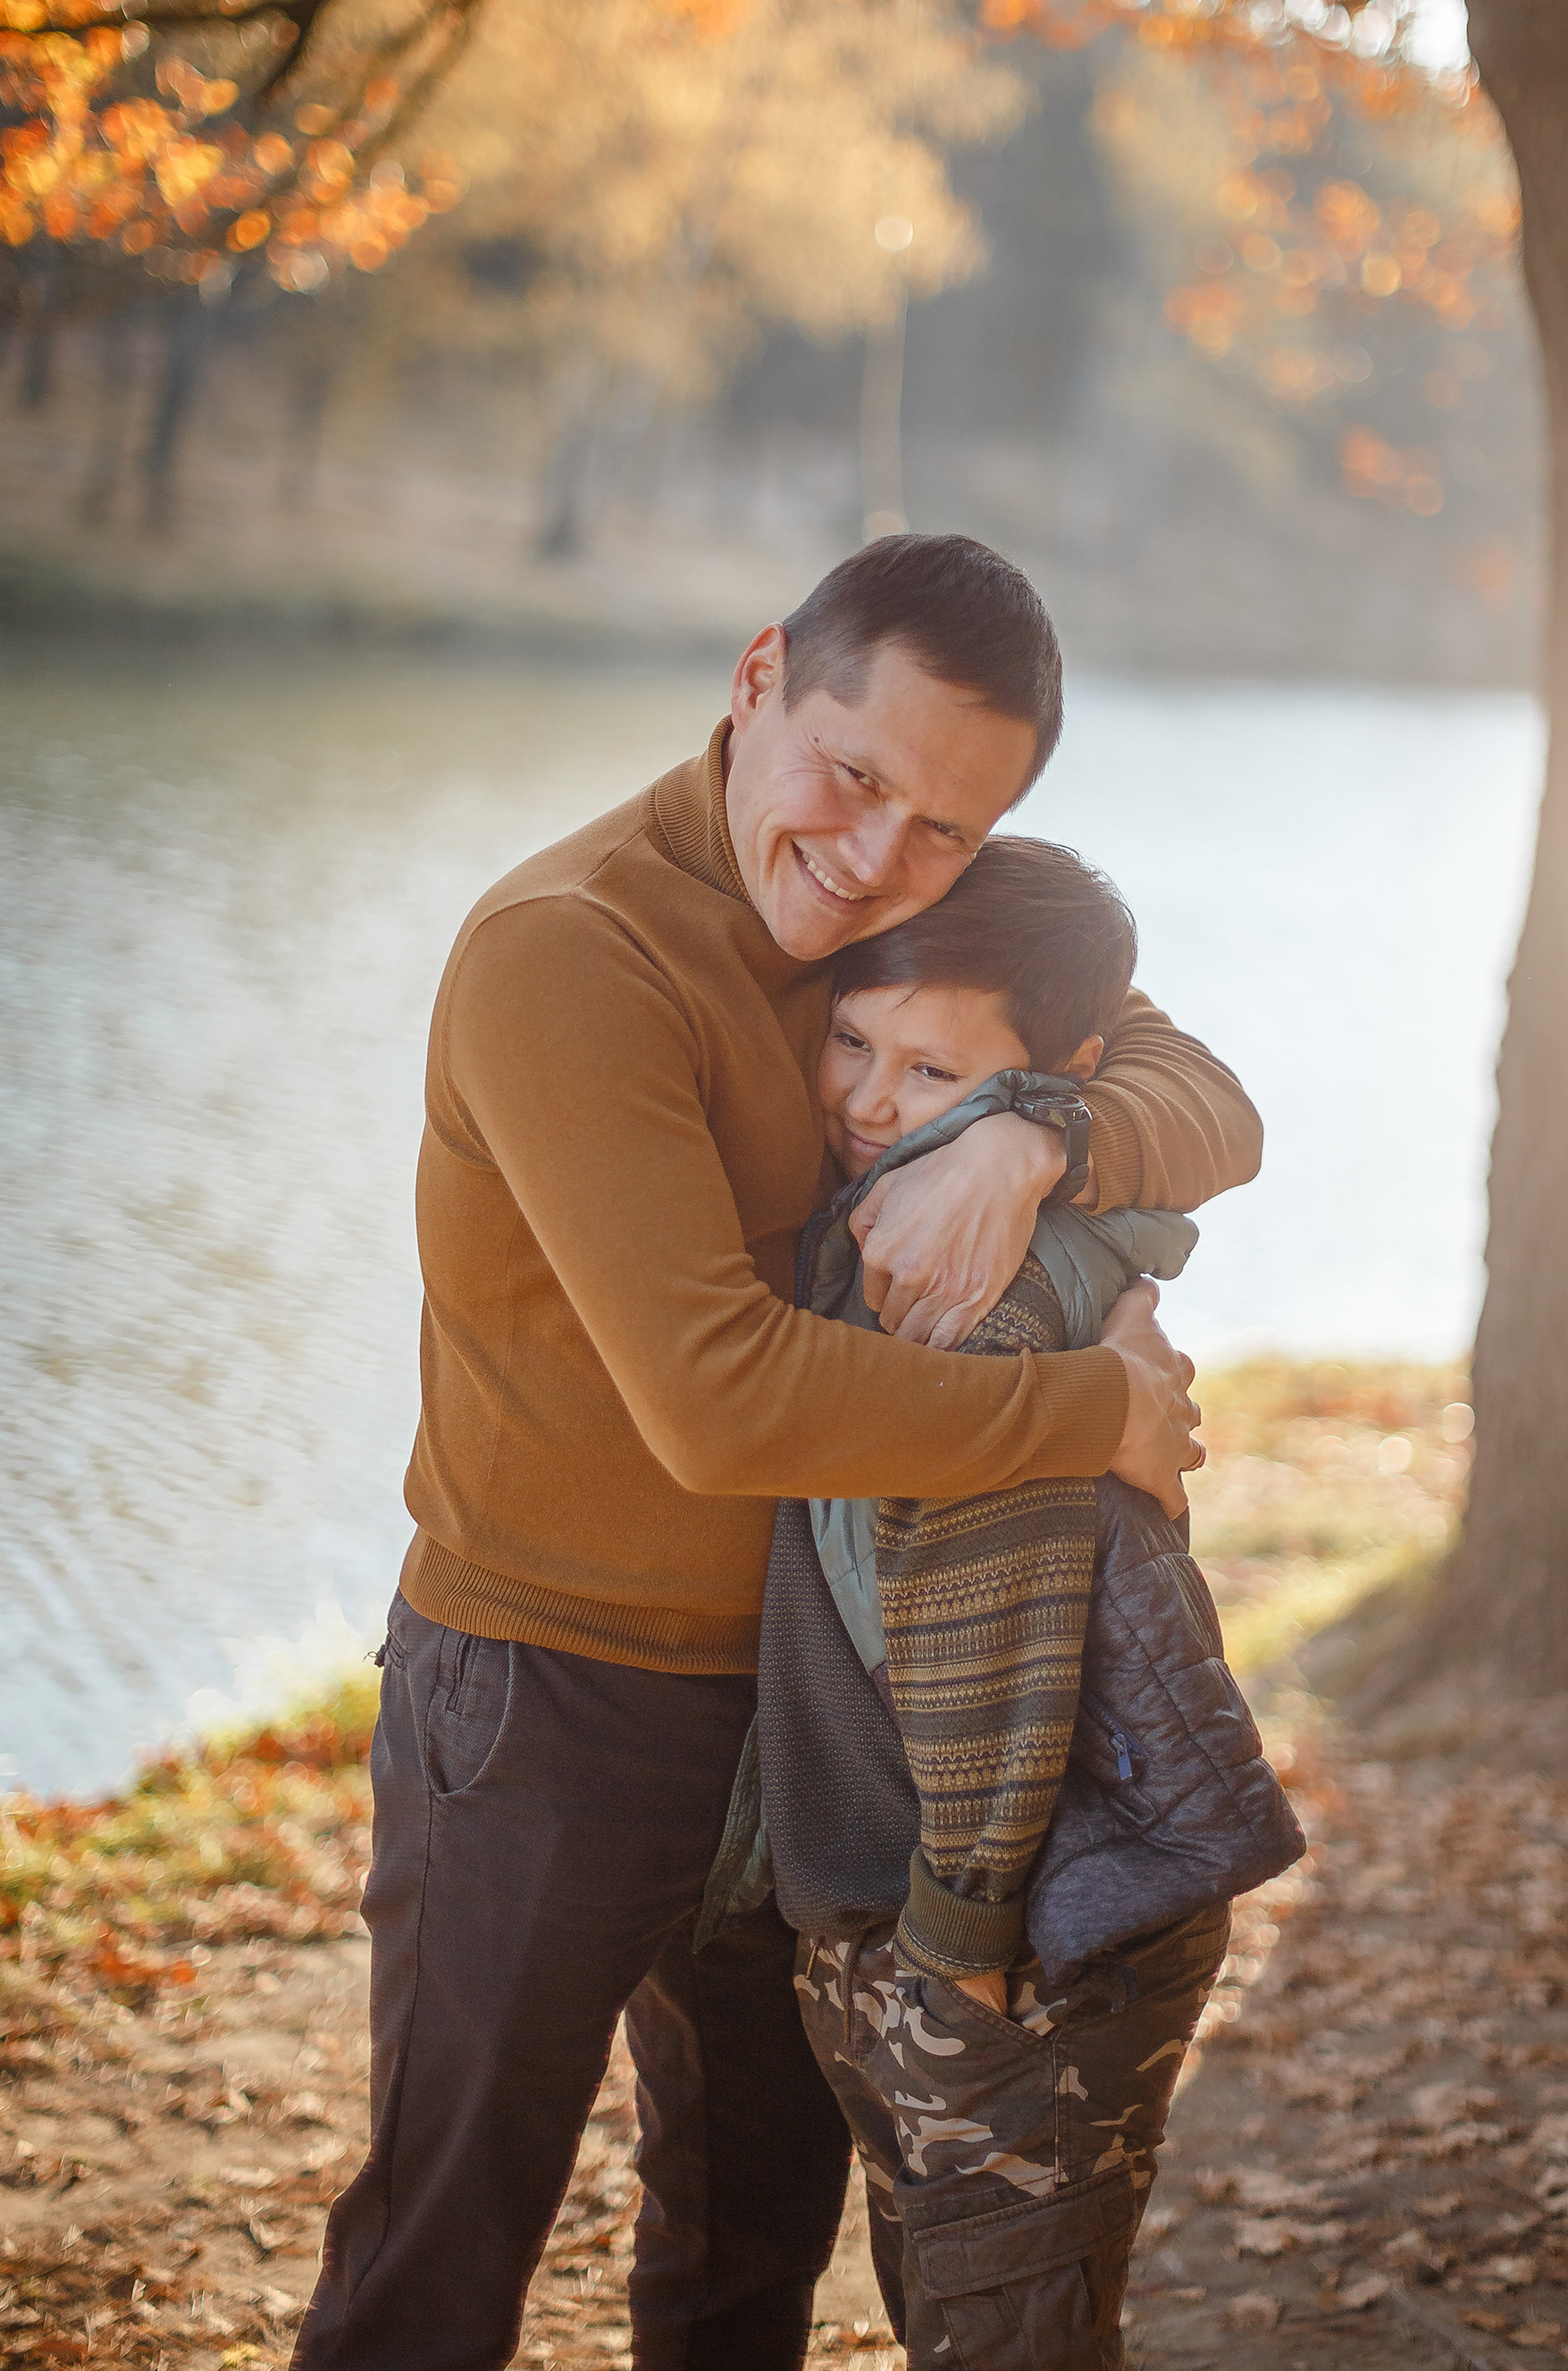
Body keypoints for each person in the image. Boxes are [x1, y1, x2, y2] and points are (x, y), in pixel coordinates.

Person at [292, 532, 1262, 2371]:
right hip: (542, 1704)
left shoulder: (903, 927)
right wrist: (1093, 1416)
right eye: (857, 776)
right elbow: (722, 1399)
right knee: (442, 2253)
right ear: (759, 683)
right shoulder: (566, 952)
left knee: (746, 2260)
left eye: (947, 832)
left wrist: (1029, 1135)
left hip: (809, 1711)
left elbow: (1210, 1099)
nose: (879, 854)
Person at [750, 839, 1302, 2367]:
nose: (867, 1100)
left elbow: (980, 1646)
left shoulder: (968, 1293)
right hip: (962, 1920)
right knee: (979, 2307)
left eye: (932, 1073)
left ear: (1056, 1077)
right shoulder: (917, 1217)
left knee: (1015, 2327)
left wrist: (962, 1940)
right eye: (851, 1042)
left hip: (1020, 1930)